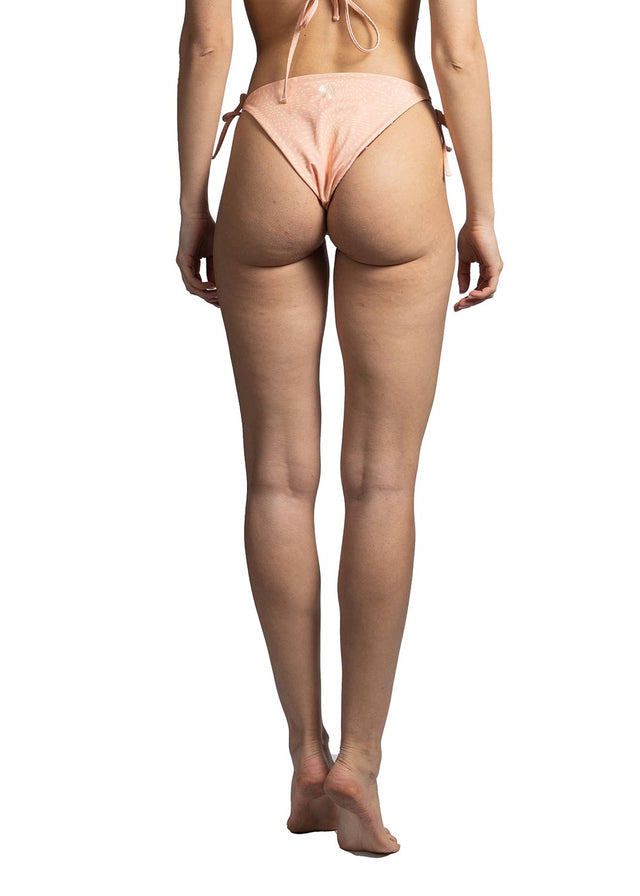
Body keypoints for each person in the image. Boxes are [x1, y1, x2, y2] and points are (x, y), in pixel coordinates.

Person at [176, 0, 503, 856]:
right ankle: (361, 759)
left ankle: (306, 755)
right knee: (383, 481)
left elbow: (206, 43)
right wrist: (481, 210)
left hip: (269, 136)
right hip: (392, 134)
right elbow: (457, 50)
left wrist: (192, 202)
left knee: (278, 478)